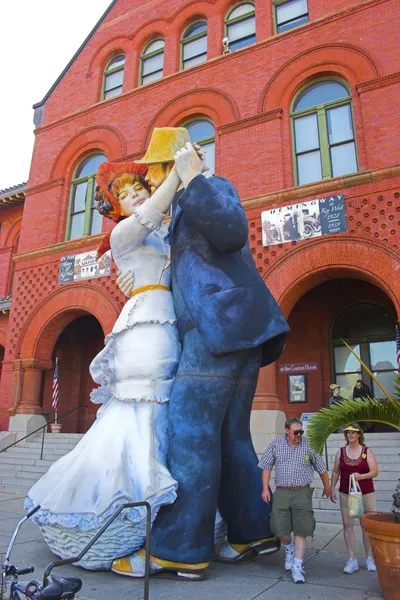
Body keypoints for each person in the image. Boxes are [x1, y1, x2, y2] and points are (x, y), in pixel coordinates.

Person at [112, 127, 290, 580]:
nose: (154, 186)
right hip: (235, 334)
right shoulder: (182, 214)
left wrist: (194, 178)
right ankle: (251, 532)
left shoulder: (207, 190)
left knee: (191, 434)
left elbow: (231, 231)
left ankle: (178, 550)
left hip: (218, 334)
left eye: (155, 174)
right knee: (231, 437)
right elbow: (196, 266)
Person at [25, 161, 186, 570]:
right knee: (140, 405)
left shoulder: (165, 232)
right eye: (126, 196)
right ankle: (124, 512)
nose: (136, 199)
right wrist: (176, 175)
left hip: (170, 319)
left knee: (166, 409)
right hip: (144, 324)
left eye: (139, 190)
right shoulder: (122, 233)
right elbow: (150, 216)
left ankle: (172, 523)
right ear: (116, 209)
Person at [258, 418, 331, 584]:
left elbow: (321, 467)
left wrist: (327, 487)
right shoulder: (276, 444)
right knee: (280, 530)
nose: (299, 435)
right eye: (296, 432)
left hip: (302, 492)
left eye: (301, 432)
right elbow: (266, 466)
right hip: (282, 492)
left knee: (301, 530)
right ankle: (289, 548)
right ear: (287, 431)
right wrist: (264, 488)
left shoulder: (308, 445)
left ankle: (297, 567)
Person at [330, 423, 378, 574]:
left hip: (366, 493)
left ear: (359, 434)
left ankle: (369, 558)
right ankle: (352, 559)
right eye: (348, 433)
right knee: (347, 525)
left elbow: (374, 471)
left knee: (367, 525)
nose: (350, 435)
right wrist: (332, 488)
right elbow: (336, 472)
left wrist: (361, 476)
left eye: (353, 432)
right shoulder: (341, 452)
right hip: (346, 493)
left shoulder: (366, 451)